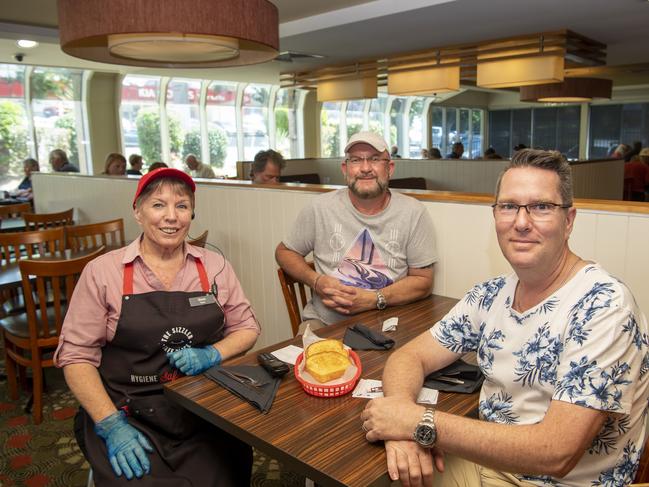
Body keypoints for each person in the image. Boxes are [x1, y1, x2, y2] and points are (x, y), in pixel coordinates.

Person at [361, 149, 649, 487]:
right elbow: (410, 356)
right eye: (509, 206)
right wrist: (401, 423)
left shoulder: (603, 306)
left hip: (557, 482)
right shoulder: (491, 294)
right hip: (489, 463)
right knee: (378, 474)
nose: (521, 222)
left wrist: (418, 422)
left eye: (541, 207)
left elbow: (556, 452)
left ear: (568, 221)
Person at [54, 167, 260, 486]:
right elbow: (76, 357)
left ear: (192, 214)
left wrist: (212, 354)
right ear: (138, 212)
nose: (171, 217)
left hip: (199, 410)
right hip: (127, 412)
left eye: (182, 205)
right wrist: (110, 424)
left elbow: (247, 327)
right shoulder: (102, 273)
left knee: (227, 472)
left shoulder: (215, 266)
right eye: (158, 204)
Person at [275, 130, 437, 330]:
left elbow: (423, 281)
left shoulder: (413, 212)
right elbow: (284, 252)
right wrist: (316, 281)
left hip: (391, 326)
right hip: (324, 324)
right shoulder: (319, 208)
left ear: (390, 168)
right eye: (356, 160)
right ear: (345, 168)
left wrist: (373, 299)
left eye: (375, 159)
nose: (365, 168)